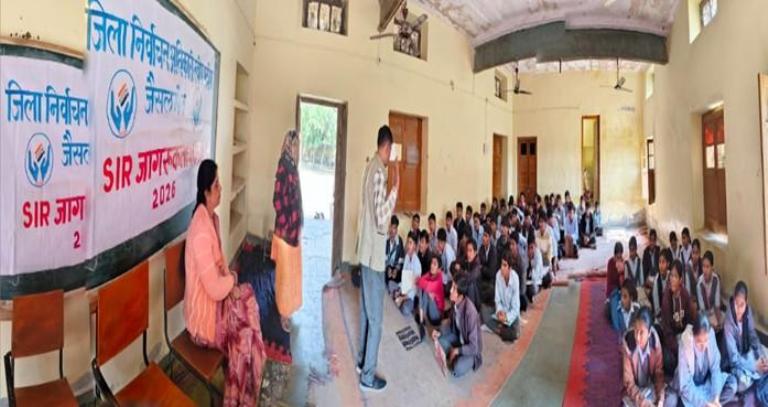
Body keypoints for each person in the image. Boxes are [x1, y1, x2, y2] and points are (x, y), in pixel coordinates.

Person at [186, 159, 266, 404]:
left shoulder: (212, 219)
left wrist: (231, 283)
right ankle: (239, 397)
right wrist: (231, 282)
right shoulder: (200, 230)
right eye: (217, 185)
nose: (221, 188)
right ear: (206, 192)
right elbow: (213, 287)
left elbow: (220, 266)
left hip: (217, 301)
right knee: (244, 335)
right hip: (203, 321)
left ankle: (246, 390)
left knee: (248, 299)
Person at [356, 125, 399, 392]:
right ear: (387, 147)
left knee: (365, 311)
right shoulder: (380, 173)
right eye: (391, 150)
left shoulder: (368, 167)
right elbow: (382, 218)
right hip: (374, 257)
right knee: (377, 321)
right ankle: (367, 376)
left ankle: (362, 361)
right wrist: (396, 188)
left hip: (364, 251)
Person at [271, 129, 304, 332]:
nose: (297, 149)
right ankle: (283, 314)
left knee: (291, 275)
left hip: (292, 233)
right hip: (286, 234)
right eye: (294, 145)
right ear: (289, 146)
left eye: (297, 145)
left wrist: (297, 224)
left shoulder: (291, 165)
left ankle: (287, 309)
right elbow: (277, 200)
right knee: (285, 276)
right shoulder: (284, 166)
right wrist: (289, 224)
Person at [667, 314, 737, 407]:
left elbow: (715, 370)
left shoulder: (710, 335)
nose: (703, 346)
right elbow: (685, 386)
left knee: (732, 384)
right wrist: (704, 404)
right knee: (675, 402)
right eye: (699, 342)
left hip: (706, 384)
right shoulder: (686, 344)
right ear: (693, 337)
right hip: (691, 388)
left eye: (706, 341)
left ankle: (714, 404)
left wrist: (716, 397)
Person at [724, 281, 768, 398]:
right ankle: (753, 374)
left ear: (746, 302)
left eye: (742, 304)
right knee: (741, 384)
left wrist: (761, 356)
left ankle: (754, 373)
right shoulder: (728, 323)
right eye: (736, 304)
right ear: (733, 300)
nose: (738, 309)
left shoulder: (747, 312)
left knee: (765, 358)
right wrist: (754, 365)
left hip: (745, 353)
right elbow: (733, 359)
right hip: (733, 361)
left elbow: (753, 336)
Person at [433, 277, 483, 378]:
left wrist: (457, 351)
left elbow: (474, 347)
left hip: (471, 349)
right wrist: (438, 331)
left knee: (457, 368)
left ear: (460, 295)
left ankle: (459, 357)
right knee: (439, 340)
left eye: (454, 288)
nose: (450, 290)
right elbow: (451, 324)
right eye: (452, 286)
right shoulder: (455, 302)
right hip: (459, 339)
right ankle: (454, 354)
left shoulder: (470, 312)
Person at [622, 307, 665, 407]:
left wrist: (660, 399)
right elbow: (629, 382)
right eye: (636, 331)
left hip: (650, 387)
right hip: (635, 391)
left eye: (641, 332)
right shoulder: (628, 344)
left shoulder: (655, 343)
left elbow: (659, 373)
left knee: (671, 398)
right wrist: (643, 403)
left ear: (649, 333)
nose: (637, 337)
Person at [660, 260, 695, 376]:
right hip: (672, 339)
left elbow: (690, 321)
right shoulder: (666, 299)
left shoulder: (685, 295)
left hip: (683, 336)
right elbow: (667, 331)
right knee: (669, 361)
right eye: (671, 276)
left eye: (675, 276)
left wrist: (687, 339)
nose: (672, 279)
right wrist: (678, 348)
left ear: (681, 280)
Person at [483, 253, 520, 343]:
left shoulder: (515, 279)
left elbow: (516, 308)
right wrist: (499, 311)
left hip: (511, 314)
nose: (502, 268)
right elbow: (497, 299)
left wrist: (506, 317)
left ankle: (500, 329)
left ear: (510, 268)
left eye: (505, 265)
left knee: (516, 333)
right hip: (501, 311)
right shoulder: (498, 275)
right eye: (501, 264)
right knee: (484, 312)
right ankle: (502, 330)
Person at [414, 255, 446, 341]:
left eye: (435, 264)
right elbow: (421, 281)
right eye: (432, 263)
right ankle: (421, 320)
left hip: (437, 316)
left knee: (426, 289)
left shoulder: (439, 279)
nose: (432, 265)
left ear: (439, 268)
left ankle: (422, 319)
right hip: (429, 311)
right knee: (423, 288)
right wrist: (421, 281)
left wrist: (421, 281)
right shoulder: (430, 274)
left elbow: (421, 281)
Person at [391, 233, 421, 315]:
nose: (408, 245)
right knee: (391, 285)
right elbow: (404, 279)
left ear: (415, 246)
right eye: (407, 242)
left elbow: (414, 289)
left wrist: (402, 298)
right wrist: (399, 291)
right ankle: (398, 298)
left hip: (411, 295)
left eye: (410, 243)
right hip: (405, 289)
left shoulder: (417, 264)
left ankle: (407, 304)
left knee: (405, 309)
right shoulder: (407, 256)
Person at [696, 251, 723, 331]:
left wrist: (718, 321)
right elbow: (702, 309)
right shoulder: (699, 284)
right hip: (704, 314)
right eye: (703, 266)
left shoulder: (716, 280)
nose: (705, 270)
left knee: (724, 321)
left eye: (707, 267)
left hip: (713, 311)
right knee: (705, 327)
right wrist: (711, 323)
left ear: (712, 268)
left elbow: (717, 305)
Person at [606, 242, 626, 327]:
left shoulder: (623, 263)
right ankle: (616, 326)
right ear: (614, 255)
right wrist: (618, 271)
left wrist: (621, 272)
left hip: (621, 290)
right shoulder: (611, 262)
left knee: (624, 305)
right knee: (615, 302)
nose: (619, 258)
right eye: (617, 256)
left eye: (620, 256)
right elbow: (610, 282)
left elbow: (623, 283)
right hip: (613, 290)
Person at [650, 249, 672, 322]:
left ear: (668, 264)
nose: (661, 265)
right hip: (661, 317)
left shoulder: (672, 277)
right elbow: (657, 308)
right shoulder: (656, 281)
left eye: (663, 262)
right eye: (659, 262)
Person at [384, 215, 404, 291]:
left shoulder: (399, 241)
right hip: (387, 267)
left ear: (397, 229)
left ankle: (392, 285)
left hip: (395, 267)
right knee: (385, 275)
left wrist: (396, 269)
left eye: (394, 228)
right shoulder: (385, 239)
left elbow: (401, 259)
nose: (392, 230)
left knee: (400, 275)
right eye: (391, 227)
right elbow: (383, 258)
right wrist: (388, 268)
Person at [524, 235, 545, 306]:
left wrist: (531, 260)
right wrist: (529, 259)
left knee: (531, 289)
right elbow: (525, 269)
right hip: (527, 280)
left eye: (532, 247)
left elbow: (536, 274)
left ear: (535, 246)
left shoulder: (538, 255)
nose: (530, 250)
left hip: (537, 280)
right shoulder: (526, 253)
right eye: (528, 248)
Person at [436, 228, 456, 292]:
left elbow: (450, 275)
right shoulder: (442, 249)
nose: (439, 244)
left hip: (451, 280)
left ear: (445, 241)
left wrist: (440, 274)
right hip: (445, 275)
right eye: (438, 242)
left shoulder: (448, 252)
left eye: (441, 242)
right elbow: (443, 266)